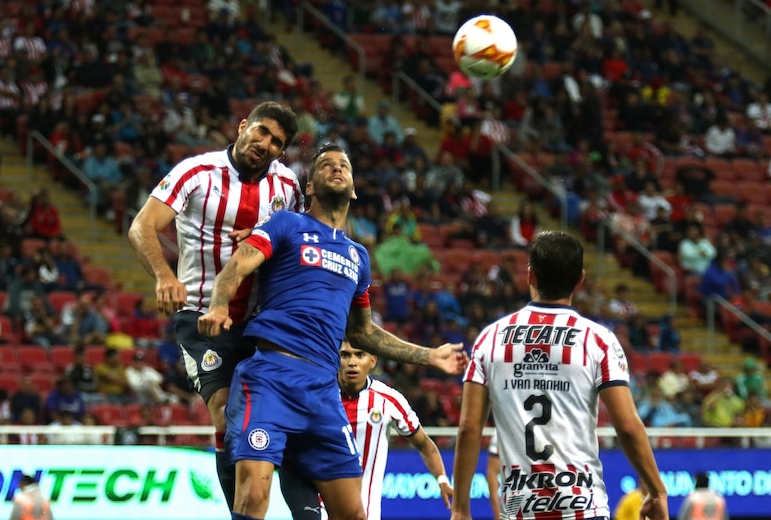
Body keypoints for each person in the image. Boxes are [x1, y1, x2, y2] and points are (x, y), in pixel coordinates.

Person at [197, 144, 468, 520]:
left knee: (352, 513)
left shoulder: (359, 256)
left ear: (354, 188)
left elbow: (363, 333)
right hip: (271, 377)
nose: (337, 168)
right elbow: (237, 266)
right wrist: (219, 304)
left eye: (344, 165)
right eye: (325, 164)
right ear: (309, 187)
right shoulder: (287, 223)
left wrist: (429, 356)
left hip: (324, 391)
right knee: (254, 497)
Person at [127, 101, 317, 517]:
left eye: (277, 143)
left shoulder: (286, 186)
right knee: (225, 409)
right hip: (201, 315)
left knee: (290, 417)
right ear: (243, 126)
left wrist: (272, 237)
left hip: (264, 317)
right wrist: (163, 275)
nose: (266, 144)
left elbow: (305, 242)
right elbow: (142, 225)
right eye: (262, 132)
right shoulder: (196, 173)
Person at [451, 231, 668, 520]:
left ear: (530, 276)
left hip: (519, 506)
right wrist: (656, 491)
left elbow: (468, 428)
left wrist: (460, 508)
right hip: (581, 504)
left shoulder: (489, 339)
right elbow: (627, 427)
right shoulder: (598, 339)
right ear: (580, 280)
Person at [336, 341, 453, 520]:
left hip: (367, 511)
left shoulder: (389, 400)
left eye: (360, 355)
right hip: (322, 507)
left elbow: (425, 444)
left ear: (373, 361)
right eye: (345, 355)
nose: (352, 362)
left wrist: (442, 480)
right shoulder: (320, 395)